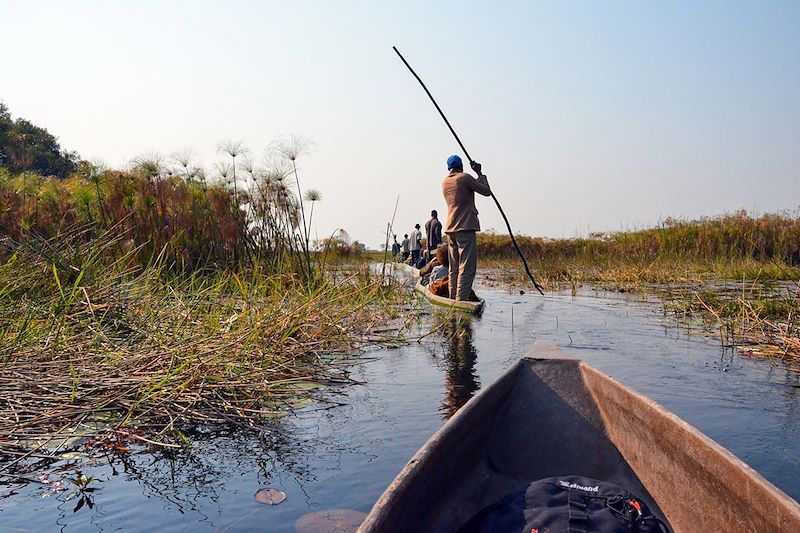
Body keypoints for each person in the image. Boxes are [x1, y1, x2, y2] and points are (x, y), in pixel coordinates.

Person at [441, 155, 491, 301]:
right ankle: (461, 301)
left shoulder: (444, 182)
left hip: (450, 230)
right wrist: (480, 174)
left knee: (454, 268)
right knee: (466, 268)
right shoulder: (464, 178)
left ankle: (452, 299)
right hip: (465, 227)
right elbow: (486, 191)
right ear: (461, 166)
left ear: (448, 168)